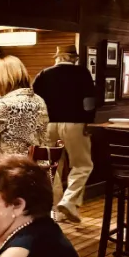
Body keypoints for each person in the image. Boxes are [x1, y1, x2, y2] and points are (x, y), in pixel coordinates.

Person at [32, 44, 96, 223]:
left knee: (50, 166)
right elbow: (89, 101)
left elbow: (34, 99)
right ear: (74, 58)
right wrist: (88, 121)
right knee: (82, 165)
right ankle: (68, 202)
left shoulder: (44, 74)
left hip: (48, 124)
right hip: (75, 123)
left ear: (57, 57)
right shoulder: (82, 73)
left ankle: (58, 209)